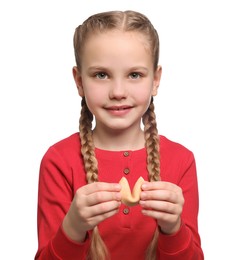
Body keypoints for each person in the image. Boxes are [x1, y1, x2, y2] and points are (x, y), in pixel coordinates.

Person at [35, 10, 204, 260]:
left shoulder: (181, 159)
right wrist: (73, 227)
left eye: (134, 75)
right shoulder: (58, 160)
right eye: (101, 75)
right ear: (79, 81)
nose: (117, 91)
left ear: (155, 80)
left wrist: (173, 228)